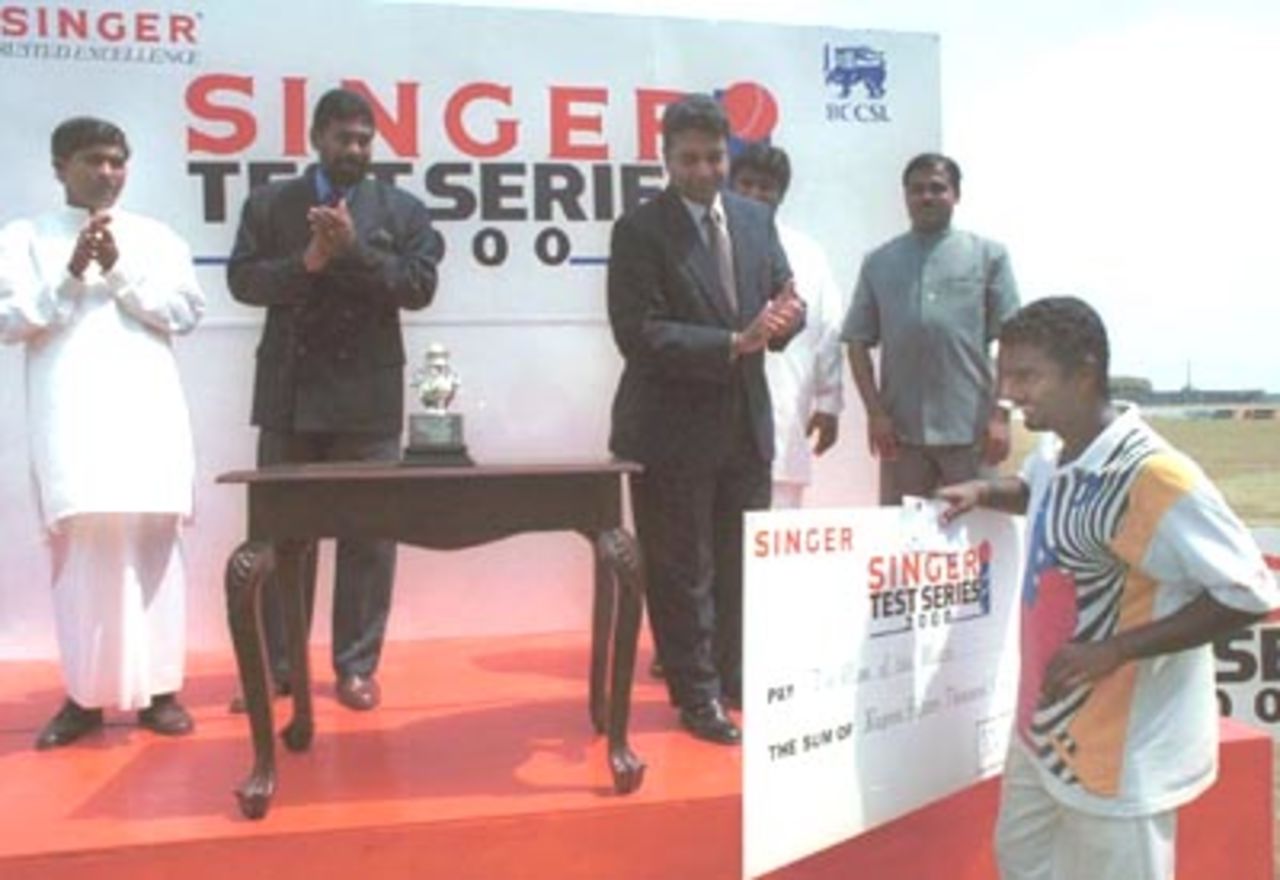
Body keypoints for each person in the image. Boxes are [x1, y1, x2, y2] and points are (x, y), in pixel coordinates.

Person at [937, 297, 1279, 880]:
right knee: (1023, 865)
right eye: (1006, 374)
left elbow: (1248, 592)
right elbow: (1047, 494)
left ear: (1085, 371)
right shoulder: (1056, 451)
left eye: (1027, 376)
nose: (1010, 392)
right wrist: (988, 492)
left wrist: (1116, 650)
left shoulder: (1153, 474)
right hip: (1041, 731)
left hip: (1122, 755)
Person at [227, 88, 441, 712]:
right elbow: (243, 281)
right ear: (317, 137)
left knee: (369, 537)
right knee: (282, 536)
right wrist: (309, 261)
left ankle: (355, 667)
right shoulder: (271, 204)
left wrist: (353, 249)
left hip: (367, 395)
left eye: (364, 139)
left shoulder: (401, 209)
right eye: (344, 137)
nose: (355, 149)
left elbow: (419, 287)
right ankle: (278, 668)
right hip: (290, 392)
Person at [0, 117, 204, 748]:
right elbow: (9, 319)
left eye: (118, 161)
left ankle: (162, 692)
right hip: (71, 413)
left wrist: (118, 273)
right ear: (60, 167)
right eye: (93, 160)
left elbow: (185, 312)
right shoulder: (24, 237)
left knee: (152, 541)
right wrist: (68, 275)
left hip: (146, 410)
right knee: (82, 548)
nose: (108, 172)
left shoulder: (155, 237)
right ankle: (84, 698)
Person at [607, 94, 805, 745]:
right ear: (665, 161)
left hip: (744, 426)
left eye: (714, 156)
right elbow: (638, 332)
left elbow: (781, 293)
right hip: (669, 430)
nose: (703, 169)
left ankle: (735, 678)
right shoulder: (639, 231)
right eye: (688, 158)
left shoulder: (754, 218)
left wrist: (785, 319)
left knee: (739, 564)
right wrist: (731, 342)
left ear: (729, 155)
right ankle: (696, 697)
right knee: (680, 568)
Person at [842, 152, 1019, 505]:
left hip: (972, 432)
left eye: (937, 188)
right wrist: (876, 414)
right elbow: (857, 342)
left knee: (978, 544)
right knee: (901, 545)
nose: (926, 197)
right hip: (901, 436)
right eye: (917, 189)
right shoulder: (879, 262)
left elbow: (1013, 341)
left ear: (956, 195)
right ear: (905, 196)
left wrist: (1001, 414)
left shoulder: (989, 256)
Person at [730, 142, 844, 508]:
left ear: (782, 194)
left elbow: (829, 329)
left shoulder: (807, 253)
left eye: (766, 187)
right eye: (745, 184)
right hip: (715, 423)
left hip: (783, 415)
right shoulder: (708, 244)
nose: (755, 194)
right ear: (729, 185)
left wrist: (828, 402)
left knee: (775, 544)